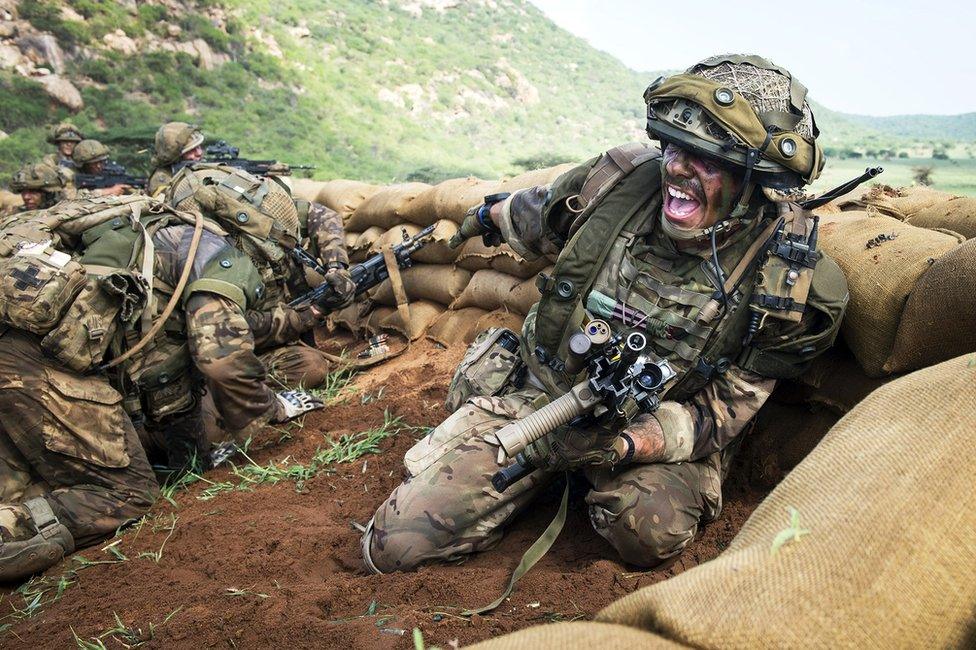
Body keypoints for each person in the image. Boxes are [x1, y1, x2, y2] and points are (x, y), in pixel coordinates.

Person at [361, 55, 849, 573]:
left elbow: (722, 412)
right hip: (544, 398)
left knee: (645, 528)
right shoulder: (617, 188)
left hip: (656, 428)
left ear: (753, 179)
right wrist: (475, 219)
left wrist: (623, 445)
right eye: (674, 149)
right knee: (392, 547)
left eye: (708, 160)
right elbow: (531, 215)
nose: (678, 170)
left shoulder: (785, 278)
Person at [0, 195, 326, 580]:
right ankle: (13, 532)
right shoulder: (215, 253)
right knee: (126, 492)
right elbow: (222, 361)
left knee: (19, 483)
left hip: (20, 348)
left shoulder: (144, 229)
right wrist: (271, 408)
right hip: (33, 364)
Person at [162, 164, 357, 438]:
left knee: (309, 365)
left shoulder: (263, 214)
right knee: (206, 432)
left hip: (250, 344)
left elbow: (321, 216)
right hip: (210, 360)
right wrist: (306, 315)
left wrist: (336, 266)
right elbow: (233, 333)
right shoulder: (205, 258)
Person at [147, 122, 204, 196]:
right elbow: (165, 204)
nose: (199, 152)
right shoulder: (162, 179)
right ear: (176, 156)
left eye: (199, 146)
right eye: (192, 150)